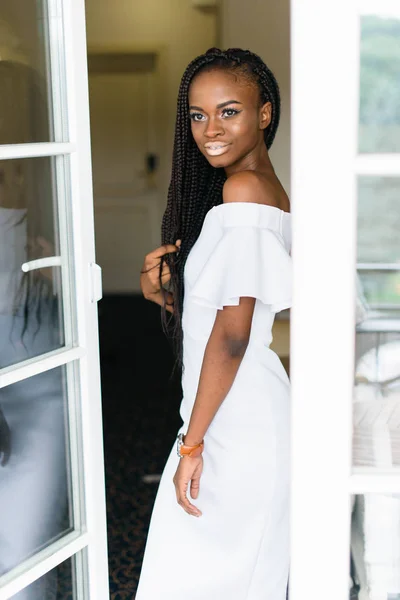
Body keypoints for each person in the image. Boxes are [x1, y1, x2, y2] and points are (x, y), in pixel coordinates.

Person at [137, 47, 292, 600]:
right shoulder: (249, 193)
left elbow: (233, 335)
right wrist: (164, 295)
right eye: (198, 115)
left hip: (236, 422)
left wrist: (192, 447)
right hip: (228, 410)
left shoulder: (245, 191)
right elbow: (215, 321)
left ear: (265, 114)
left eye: (229, 111)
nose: (210, 129)